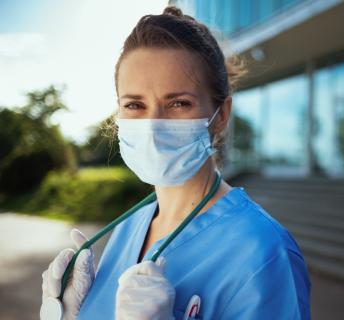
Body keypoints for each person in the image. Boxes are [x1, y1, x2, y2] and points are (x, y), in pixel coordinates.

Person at [40, 5, 311, 319]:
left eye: (179, 103)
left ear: (221, 115)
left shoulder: (265, 253)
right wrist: (66, 313)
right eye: (135, 105)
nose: (153, 125)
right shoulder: (128, 227)